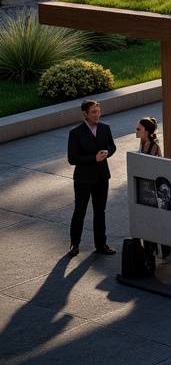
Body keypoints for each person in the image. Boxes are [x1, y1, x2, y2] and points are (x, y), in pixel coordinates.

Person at [67, 99, 117, 257]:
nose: (98, 114)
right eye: (94, 112)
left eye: (99, 111)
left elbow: (112, 146)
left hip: (102, 177)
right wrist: (93, 158)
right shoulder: (75, 133)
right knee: (80, 211)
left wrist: (107, 153)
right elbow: (72, 158)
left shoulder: (105, 128)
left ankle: (101, 244)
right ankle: (75, 244)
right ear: (85, 114)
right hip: (83, 179)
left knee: (100, 211)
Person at [134, 116, 167, 264]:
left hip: (154, 191)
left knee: (153, 222)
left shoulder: (154, 147)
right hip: (144, 189)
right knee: (145, 221)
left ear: (146, 131)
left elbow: (154, 169)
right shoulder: (142, 143)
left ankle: (155, 253)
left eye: (138, 129)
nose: (136, 131)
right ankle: (149, 252)